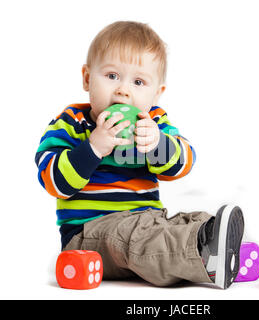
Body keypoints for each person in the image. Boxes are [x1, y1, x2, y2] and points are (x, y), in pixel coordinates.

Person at [35, 21, 244, 289]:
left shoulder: (152, 123)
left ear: (157, 93)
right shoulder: (71, 124)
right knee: (138, 238)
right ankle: (206, 257)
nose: (123, 90)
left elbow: (184, 162)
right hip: (89, 234)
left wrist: (157, 144)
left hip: (147, 220)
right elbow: (53, 181)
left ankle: (221, 243)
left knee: (181, 222)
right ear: (87, 78)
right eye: (111, 76)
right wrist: (93, 148)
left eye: (138, 82)